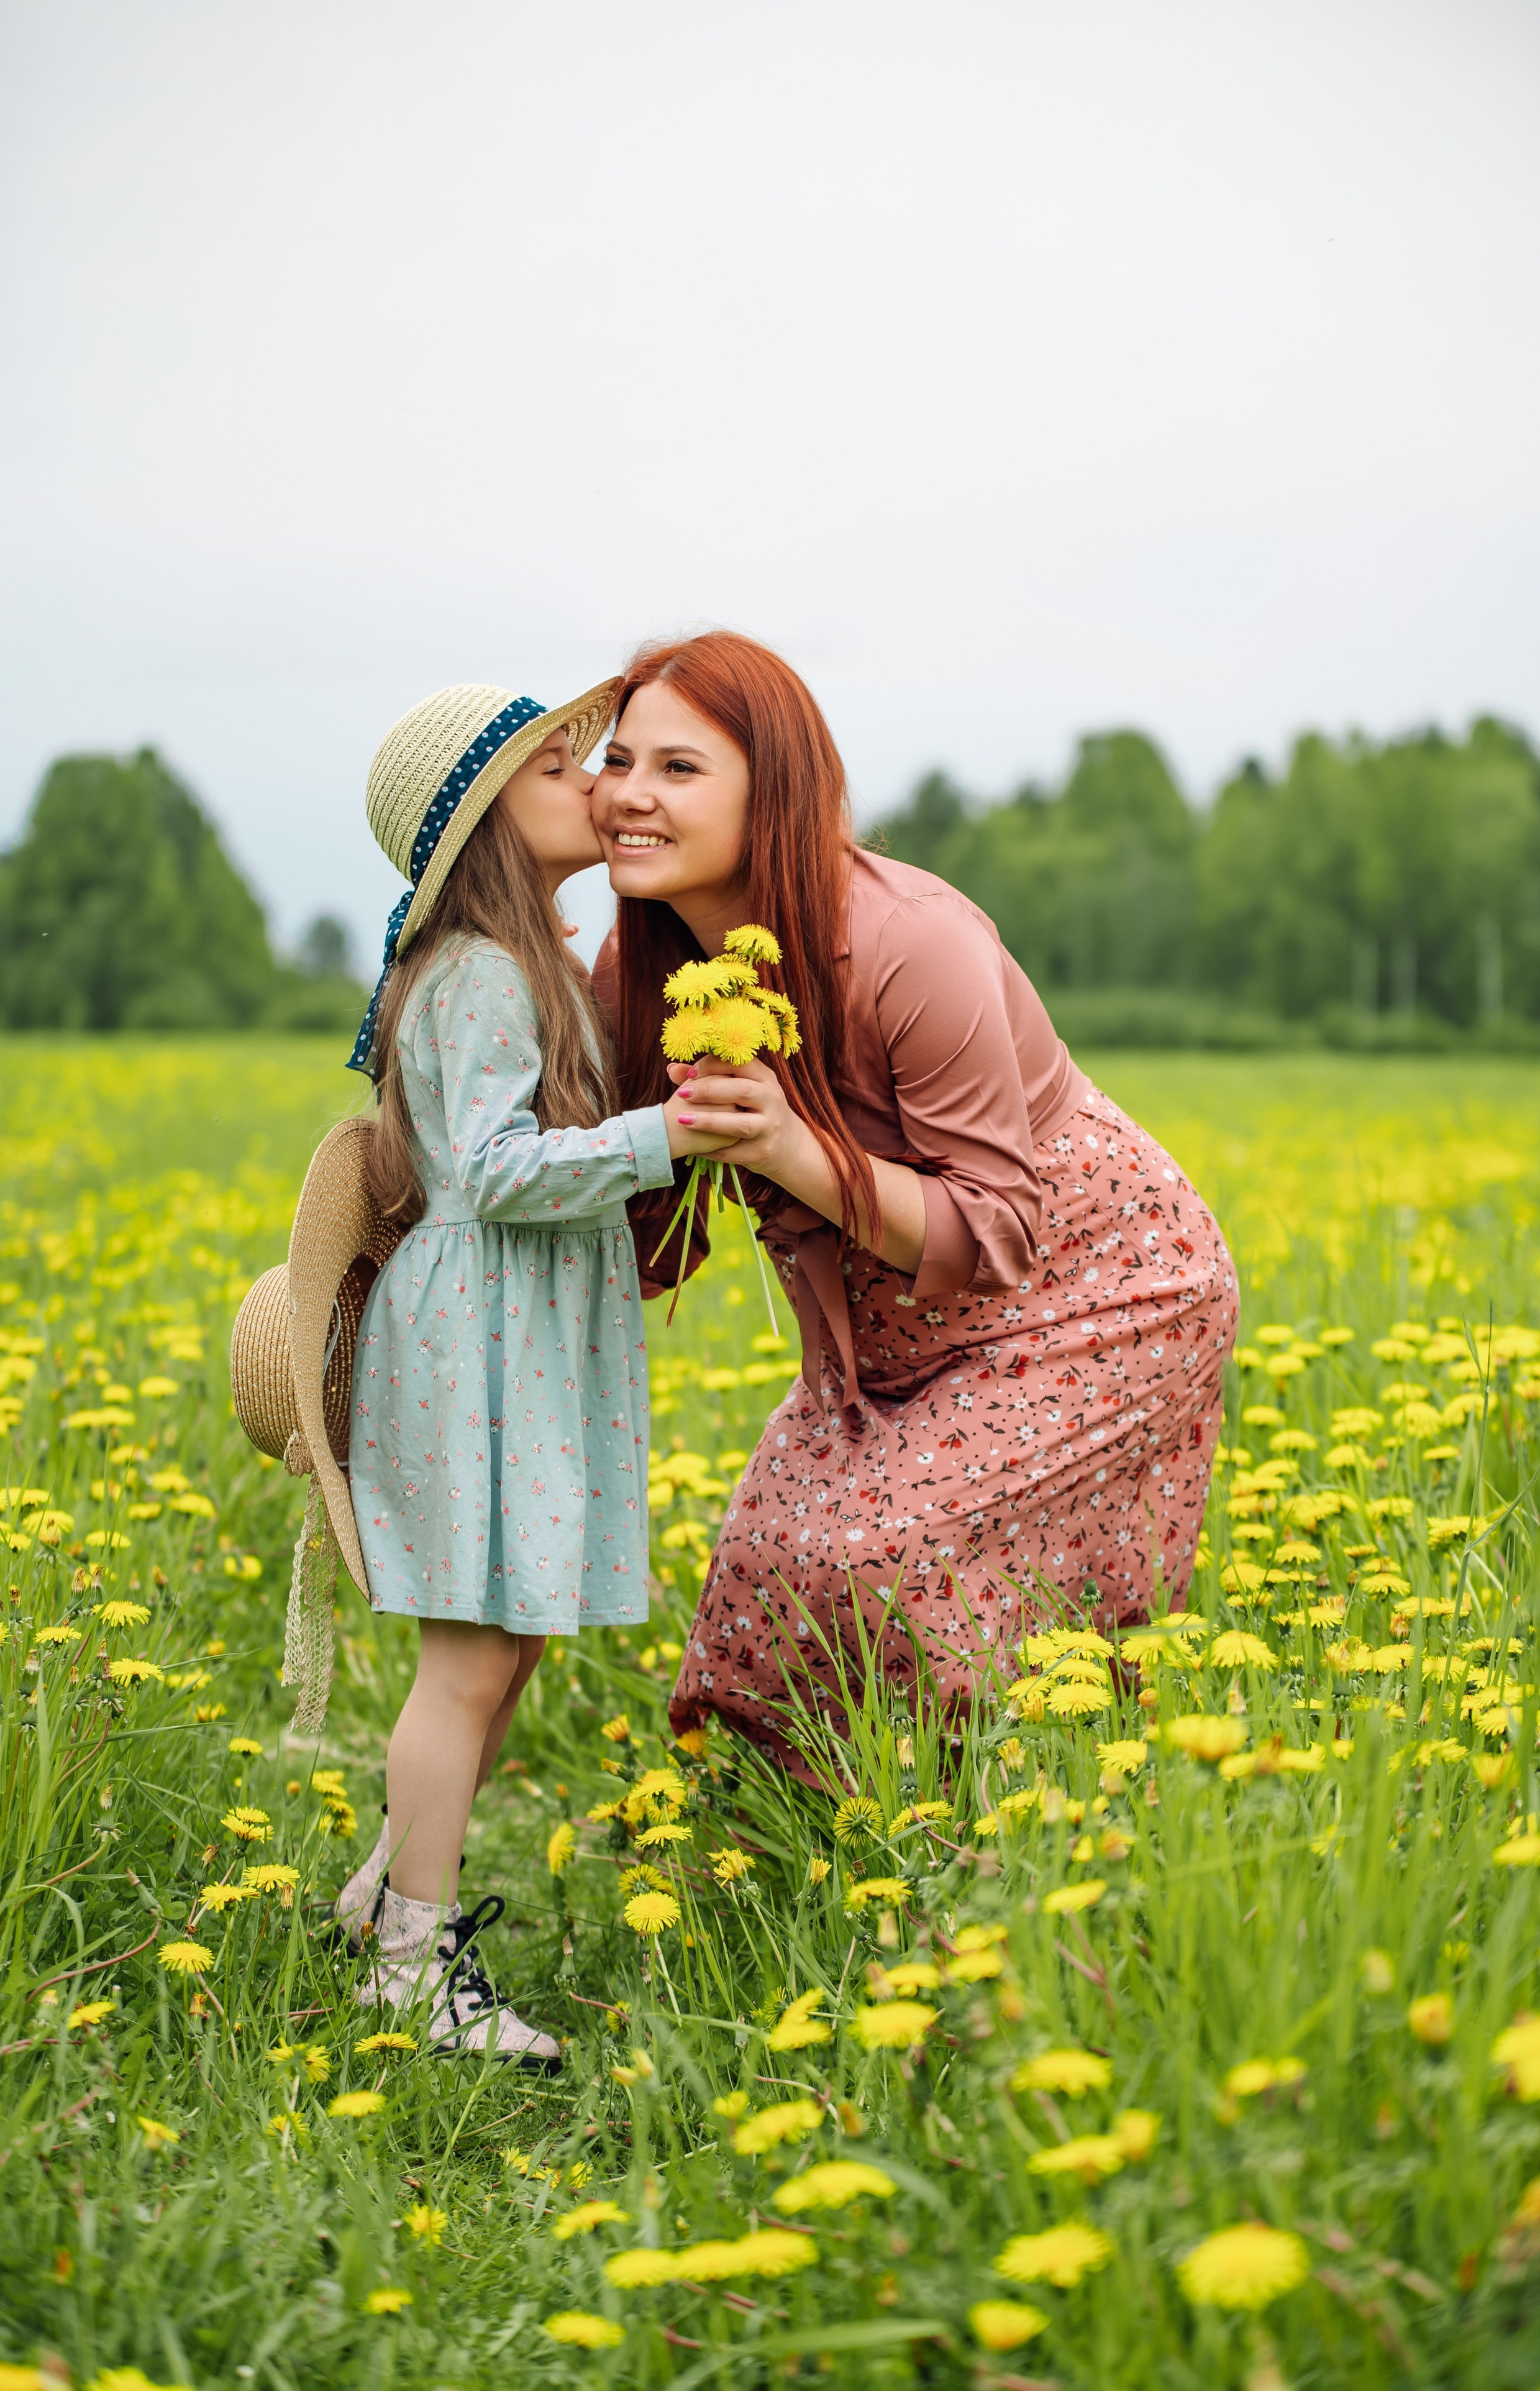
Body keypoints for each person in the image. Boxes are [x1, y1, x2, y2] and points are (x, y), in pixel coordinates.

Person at [592, 633, 1239, 1783]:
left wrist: (793, 1150)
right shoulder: (637, 973)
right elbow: (654, 1246)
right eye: (617, 761)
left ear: (772, 790)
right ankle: (790, 1866)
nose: (630, 796)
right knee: (764, 1569)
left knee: (879, 1553)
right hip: (886, 1332)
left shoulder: (906, 942)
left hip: (1099, 1288)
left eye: (679, 769)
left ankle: (987, 1843)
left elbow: (998, 1231)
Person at [332, 678, 714, 2061]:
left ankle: (388, 1899)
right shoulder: (484, 971)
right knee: (470, 1659)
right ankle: (411, 1969)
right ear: (493, 817)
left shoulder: (522, 961)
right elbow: (490, 1173)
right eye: (563, 768)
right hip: (474, 1345)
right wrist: (665, 1138)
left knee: (517, 1641)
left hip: (513, 1342)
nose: (596, 783)